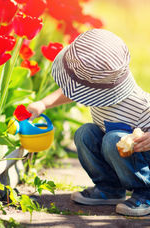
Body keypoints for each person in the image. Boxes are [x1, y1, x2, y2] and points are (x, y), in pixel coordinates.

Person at [27, 29, 150, 217]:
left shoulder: (139, 103)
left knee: (112, 139)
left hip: (142, 160)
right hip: (116, 152)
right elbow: (70, 91)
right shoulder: (101, 83)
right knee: (85, 133)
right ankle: (109, 188)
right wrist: (43, 104)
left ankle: (145, 192)